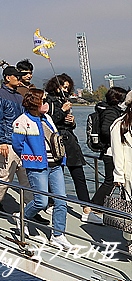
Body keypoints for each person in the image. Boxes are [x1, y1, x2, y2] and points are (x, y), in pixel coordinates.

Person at [12, 88, 73, 249]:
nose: (46, 104)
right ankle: (22, 217)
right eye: (43, 101)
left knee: (61, 200)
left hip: (56, 164)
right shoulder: (21, 121)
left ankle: (58, 234)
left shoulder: (47, 118)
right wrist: (30, 156)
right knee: (41, 201)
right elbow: (17, 145)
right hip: (37, 165)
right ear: (35, 103)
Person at [45, 73, 101, 224]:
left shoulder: (65, 101)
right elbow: (48, 123)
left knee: (79, 175)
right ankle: (51, 202)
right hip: (54, 142)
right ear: (56, 86)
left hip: (70, 142)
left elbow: (69, 125)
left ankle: (86, 209)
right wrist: (62, 111)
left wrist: (72, 121)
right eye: (63, 86)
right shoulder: (47, 101)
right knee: (55, 174)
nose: (65, 90)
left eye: (68, 87)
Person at [0, 65, 34, 215]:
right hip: (7, 142)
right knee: (5, 175)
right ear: (8, 78)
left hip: (21, 142)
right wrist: (1, 141)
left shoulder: (19, 97)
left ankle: (31, 207)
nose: (19, 79)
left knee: (26, 177)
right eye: (16, 76)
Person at [90, 87, 129, 211]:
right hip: (111, 152)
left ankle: (96, 207)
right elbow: (107, 131)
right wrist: (119, 137)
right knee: (110, 181)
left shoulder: (110, 111)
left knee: (110, 182)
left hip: (110, 151)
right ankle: (94, 207)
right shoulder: (112, 113)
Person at [108, 90, 132, 254]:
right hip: (129, 173)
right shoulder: (120, 125)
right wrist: (119, 175)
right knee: (130, 209)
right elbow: (117, 153)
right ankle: (130, 241)